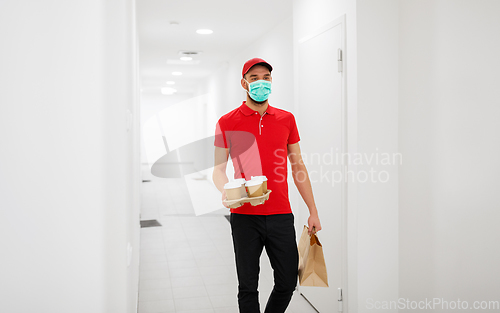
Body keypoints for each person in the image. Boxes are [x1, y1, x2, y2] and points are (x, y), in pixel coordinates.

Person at [212, 57, 322, 313]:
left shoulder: (286, 119)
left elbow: (298, 167)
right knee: (248, 287)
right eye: (254, 78)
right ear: (244, 83)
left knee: (286, 282)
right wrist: (225, 192)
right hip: (244, 216)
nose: (261, 83)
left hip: (281, 215)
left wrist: (313, 210)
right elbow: (218, 169)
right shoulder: (227, 122)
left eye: (266, 78)